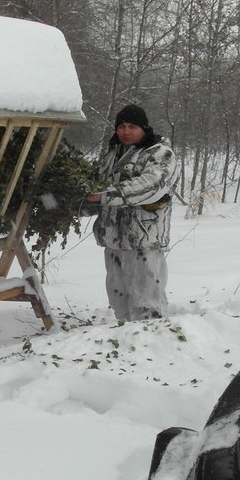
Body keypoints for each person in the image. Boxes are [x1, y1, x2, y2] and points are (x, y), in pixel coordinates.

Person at [84, 104, 178, 322]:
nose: (125, 131)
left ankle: (150, 346)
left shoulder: (160, 154)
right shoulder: (112, 155)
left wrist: (105, 195)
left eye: (132, 126)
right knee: (119, 301)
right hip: (113, 241)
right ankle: (126, 347)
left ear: (144, 128)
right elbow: (96, 185)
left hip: (143, 241)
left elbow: (150, 186)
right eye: (121, 126)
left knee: (147, 304)